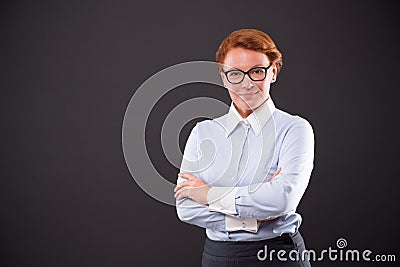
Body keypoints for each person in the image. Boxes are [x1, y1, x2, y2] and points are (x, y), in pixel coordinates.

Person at [174, 28, 314, 266]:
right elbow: (186, 207)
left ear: (274, 72)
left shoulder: (294, 129)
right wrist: (252, 219)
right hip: (218, 257)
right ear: (222, 77)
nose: (247, 84)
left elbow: (282, 201)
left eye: (257, 71)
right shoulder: (202, 132)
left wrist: (207, 194)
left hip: (277, 255)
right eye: (235, 74)